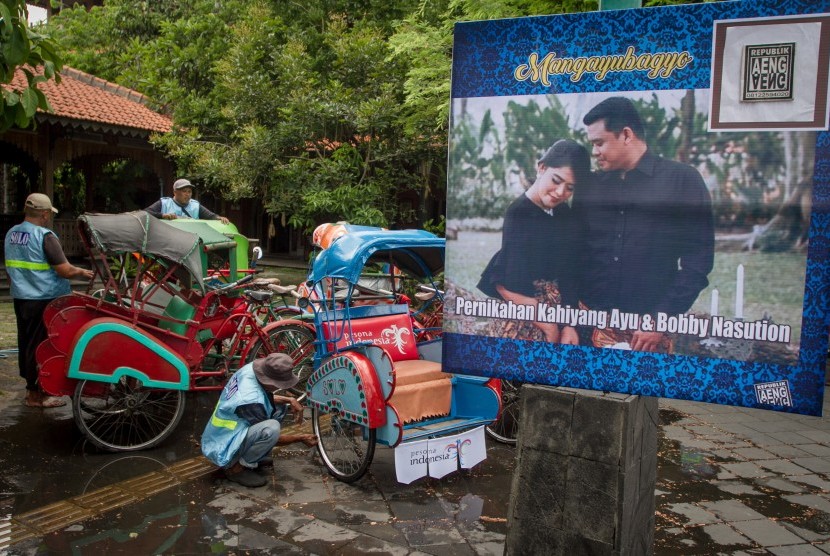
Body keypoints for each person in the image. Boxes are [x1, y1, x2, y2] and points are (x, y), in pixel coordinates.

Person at [570, 96, 715, 352]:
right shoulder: (589, 187)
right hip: (585, 327)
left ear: (626, 135)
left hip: (646, 336)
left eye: (599, 143)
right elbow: (571, 256)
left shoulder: (682, 181)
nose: (594, 151)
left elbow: (697, 263)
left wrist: (659, 321)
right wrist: (570, 320)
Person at [477, 139, 591, 342]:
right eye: (556, 180)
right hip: (529, 312)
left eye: (570, 188)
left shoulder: (563, 212)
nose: (560, 193)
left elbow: (569, 272)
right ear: (542, 168)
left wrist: (569, 325)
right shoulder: (519, 212)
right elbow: (510, 284)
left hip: (562, 309)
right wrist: (550, 327)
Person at [4, 193, 94, 407]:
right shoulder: (45, 236)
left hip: (22, 297)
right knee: (41, 346)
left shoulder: (12, 233)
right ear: (44, 214)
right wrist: (83, 272)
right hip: (44, 299)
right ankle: (37, 395)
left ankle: (31, 390)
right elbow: (64, 270)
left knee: (26, 342)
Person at [201, 353, 317, 488]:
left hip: (220, 433)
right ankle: (236, 468)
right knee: (271, 429)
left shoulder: (250, 369)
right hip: (222, 446)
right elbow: (274, 437)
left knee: (279, 408)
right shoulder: (250, 401)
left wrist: (290, 399)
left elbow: (262, 397)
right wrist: (300, 438)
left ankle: (254, 455)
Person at [144, 178, 230, 225]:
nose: (187, 194)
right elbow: (145, 213)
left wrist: (219, 218)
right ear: (175, 192)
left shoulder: (195, 205)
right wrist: (163, 215)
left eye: (189, 191)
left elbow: (210, 216)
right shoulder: (164, 203)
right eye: (184, 191)